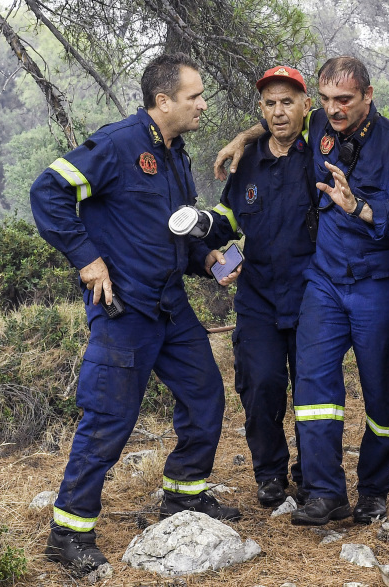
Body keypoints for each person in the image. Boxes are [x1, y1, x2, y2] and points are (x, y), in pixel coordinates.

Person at [31, 53, 239, 575]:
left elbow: (174, 229)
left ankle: (184, 496)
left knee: (205, 394)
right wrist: (88, 260)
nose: (202, 105)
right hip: (124, 309)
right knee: (109, 418)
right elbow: (47, 191)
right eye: (193, 96)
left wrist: (207, 257)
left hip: (170, 305)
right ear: (162, 100)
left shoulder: (175, 153)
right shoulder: (119, 143)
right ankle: (69, 531)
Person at [215, 56, 389, 526]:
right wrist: (245, 138)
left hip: (379, 285)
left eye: (344, 99)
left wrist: (360, 208)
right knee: (314, 389)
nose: (334, 109)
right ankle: (325, 491)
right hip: (324, 283)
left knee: (383, 396)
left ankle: (372, 489)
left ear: (368, 95)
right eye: (326, 101)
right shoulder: (318, 128)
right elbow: (278, 122)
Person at [202, 65, 315, 509]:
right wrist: (207, 255)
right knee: (261, 383)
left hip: (312, 296)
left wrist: (243, 133)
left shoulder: (323, 149)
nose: (278, 111)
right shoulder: (247, 161)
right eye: (269, 104)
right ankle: (269, 474)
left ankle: (311, 472)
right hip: (259, 298)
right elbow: (228, 221)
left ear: (307, 105)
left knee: (311, 389)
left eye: (288, 101)